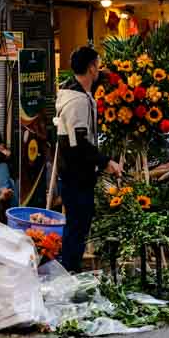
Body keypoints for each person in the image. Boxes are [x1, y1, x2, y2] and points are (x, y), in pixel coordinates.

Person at [56, 45, 121, 273]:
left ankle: (70, 270)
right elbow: (79, 143)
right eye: (98, 65)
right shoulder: (77, 101)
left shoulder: (78, 93)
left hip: (77, 172)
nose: (99, 69)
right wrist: (105, 162)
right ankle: (69, 272)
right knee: (77, 226)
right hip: (76, 173)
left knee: (78, 225)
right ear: (91, 67)